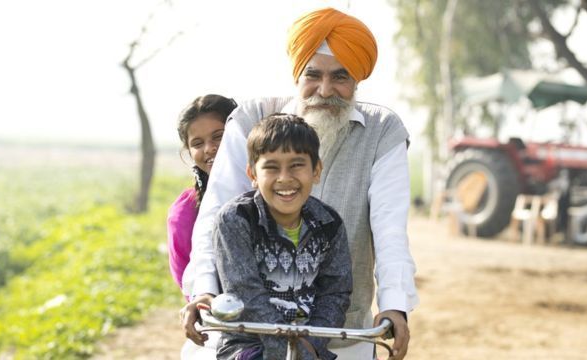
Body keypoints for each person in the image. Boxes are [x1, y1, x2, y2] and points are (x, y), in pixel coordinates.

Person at [181, 7, 419, 359]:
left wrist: (395, 304)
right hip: (247, 334)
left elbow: (389, 227)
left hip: (342, 330)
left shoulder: (383, 131)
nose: (325, 90)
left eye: (340, 76)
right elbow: (215, 214)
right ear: (297, 73)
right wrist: (204, 291)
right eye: (313, 74)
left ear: (357, 79)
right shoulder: (250, 118)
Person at [213, 114, 352, 359]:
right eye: (271, 167)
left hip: (309, 345)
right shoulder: (237, 219)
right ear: (253, 174)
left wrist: (311, 346)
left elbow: (336, 292)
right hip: (249, 343)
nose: (285, 178)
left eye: (297, 164)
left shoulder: (329, 223)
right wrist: (291, 352)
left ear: (316, 170)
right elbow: (246, 294)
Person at [167, 94, 237, 290]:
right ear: (188, 152)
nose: (210, 148)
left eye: (219, 136)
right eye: (197, 143)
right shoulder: (184, 213)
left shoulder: (273, 193)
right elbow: (188, 284)